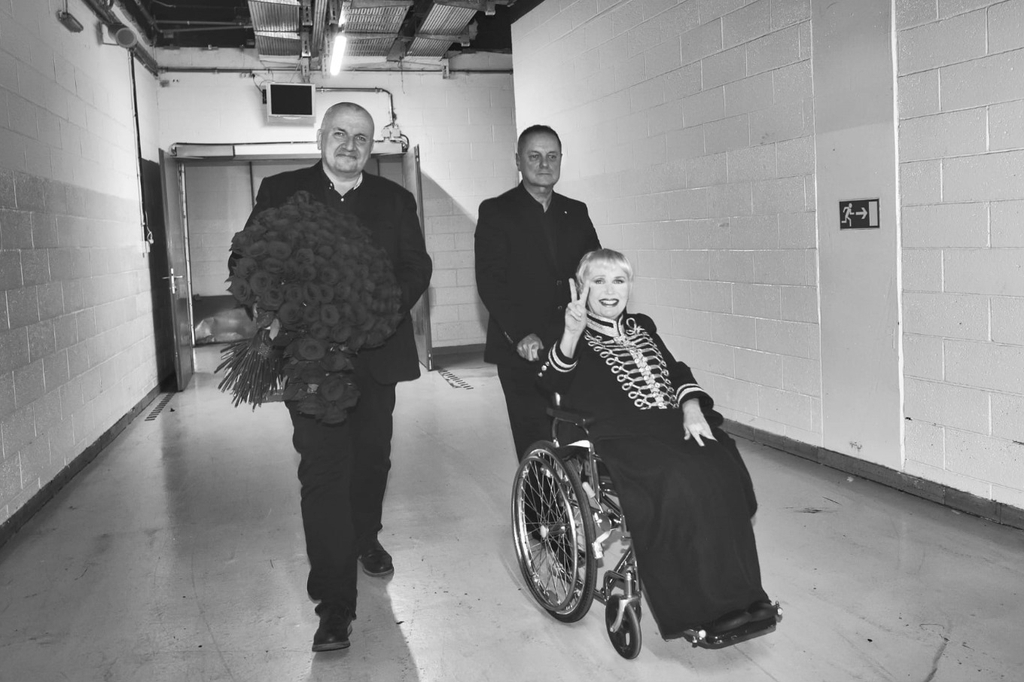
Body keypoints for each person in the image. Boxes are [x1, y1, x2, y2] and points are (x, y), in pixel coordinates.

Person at [231, 102, 432, 652]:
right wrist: (272, 308)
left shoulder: (395, 199)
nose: (350, 145)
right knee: (322, 473)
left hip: (376, 353)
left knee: (371, 462)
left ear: (372, 146)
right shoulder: (281, 190)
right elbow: (247, 258)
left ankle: (365, 537)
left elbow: (416, 266)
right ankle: (334, 605)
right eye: (340, 133)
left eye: (362, 137)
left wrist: (377, 312)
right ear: (320, 137)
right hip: (310, 358)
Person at [536, 248, 776, 640]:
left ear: (630, 286)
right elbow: (550, 381)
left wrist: (691, 406)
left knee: (720, 464)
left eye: (619, 281)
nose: (610, 290)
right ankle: (701, 609)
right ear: (581, 286)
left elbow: (675, 369)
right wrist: (571, 333)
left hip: (668, 424)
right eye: (599, 281)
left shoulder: (642, 325)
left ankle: (747, 596)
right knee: (678, 479)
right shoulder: (569, 328)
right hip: (615, 434)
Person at [474, 125, 600, 460]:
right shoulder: (496, 212)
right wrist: (520, 334)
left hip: (572, 343)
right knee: (535, 438)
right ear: (518, 161)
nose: (545, 164)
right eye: (534, 156)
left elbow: (594, 271)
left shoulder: (576, 211)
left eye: (552, 156)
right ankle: (539, 496)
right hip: (522, 346)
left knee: (579, 435)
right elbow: (490, 282)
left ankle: (577, 492)